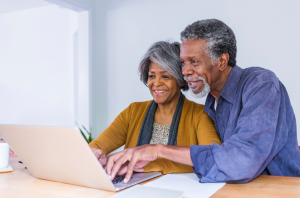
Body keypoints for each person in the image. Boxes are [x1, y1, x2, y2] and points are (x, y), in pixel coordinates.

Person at [105, 19, 300, 184]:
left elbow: (241, 162)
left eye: (194, 61)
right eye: (183, 62)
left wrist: (158, 150)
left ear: (222, 61)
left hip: (279, 189)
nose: (185, 71)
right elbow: (215, 160)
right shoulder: (213, 102)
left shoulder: (261, 84)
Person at [89, 41, 221, 176]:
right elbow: (96, 146)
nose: (156, 83)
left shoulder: (200, 115)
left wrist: (143, 164)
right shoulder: (133, 111)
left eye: (165, 76)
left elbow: (213, 158)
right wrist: (97, 155)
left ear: (181, 79)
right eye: (152, 76)